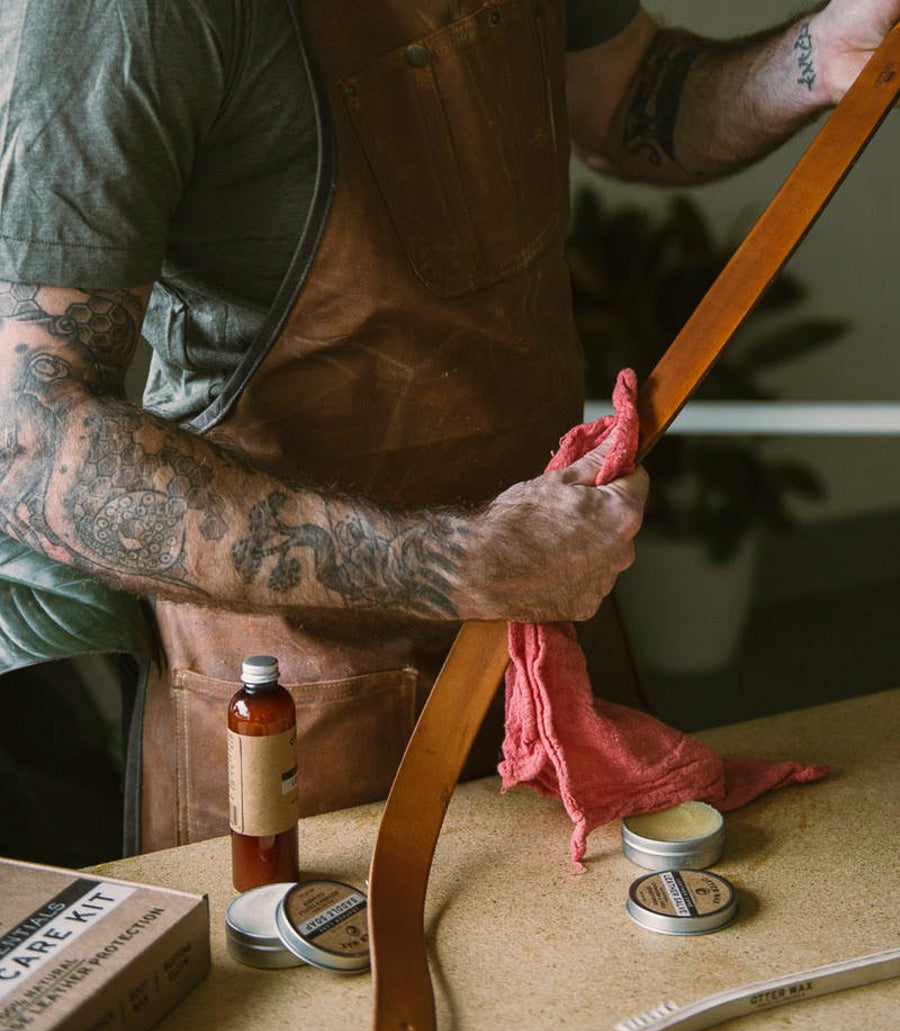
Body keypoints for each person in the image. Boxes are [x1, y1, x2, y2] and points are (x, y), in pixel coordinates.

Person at [0, 0, 895, 855]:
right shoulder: (131, 19)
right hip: (300, 689)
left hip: (548, 615)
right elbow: (30, 446)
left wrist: (814, 57)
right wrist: (463, 561)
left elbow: (625, 97)